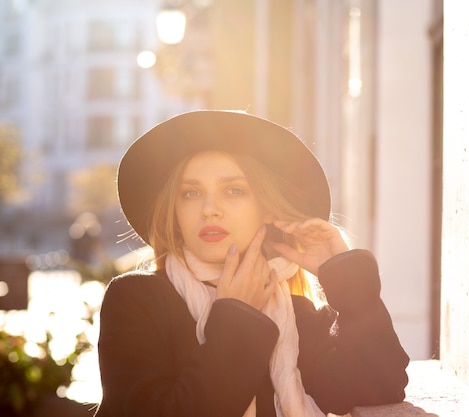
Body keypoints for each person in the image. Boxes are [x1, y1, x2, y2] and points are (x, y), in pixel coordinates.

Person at [95, 110, 409, 417]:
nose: (209, 209)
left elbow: (379, 384)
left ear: (267, 209)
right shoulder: (136, 300)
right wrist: (236, 314)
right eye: (190, 193)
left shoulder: (294, 315)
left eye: (234, 190)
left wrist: (343, 273)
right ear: (174, 212)